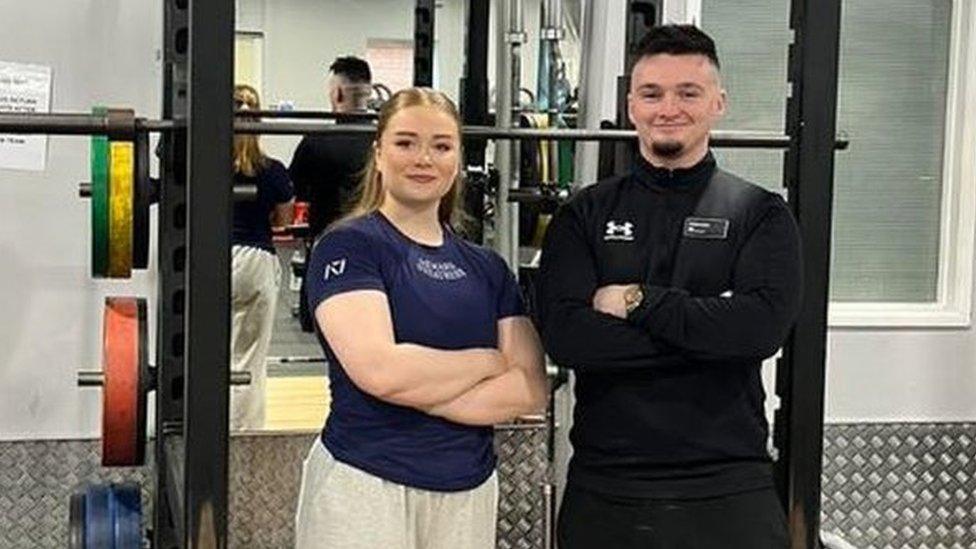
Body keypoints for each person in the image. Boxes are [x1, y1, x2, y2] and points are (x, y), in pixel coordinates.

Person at [536, 25, 801, 549]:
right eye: (652, 93)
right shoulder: (584, 214)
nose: (668, 108)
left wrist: (637, 301)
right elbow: (567, 338)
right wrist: (706, 330)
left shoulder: (759, 213)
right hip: (607, 489)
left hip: (728, 490)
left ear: (718, 103)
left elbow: (757, 331)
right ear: (632, 104)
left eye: (688, 92)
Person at [294, 87, 547, 549]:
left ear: (458, 159)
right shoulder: (349, 245)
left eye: (441, 146)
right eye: (405, 143)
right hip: (366, 484)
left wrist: (416, 388)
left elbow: (530, 389)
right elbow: (381, 371)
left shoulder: (487, 267)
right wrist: (488, 363)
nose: (423, 159)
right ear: (378, 153)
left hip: (468, 489)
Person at [290, 56, 375, 332]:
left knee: (325, 326)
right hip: (379, 252)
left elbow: (293, 191)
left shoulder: (317, 141)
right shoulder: (385, 142)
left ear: (337, 94)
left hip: (330, 250)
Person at [230, 84, 295, 431]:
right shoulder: (273, 171)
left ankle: (203, 428)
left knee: (211, 351)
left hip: (211, 259)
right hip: (256, 259)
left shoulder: (205, 164)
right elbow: (284, 221)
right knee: (250, 358)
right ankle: (243, 435)